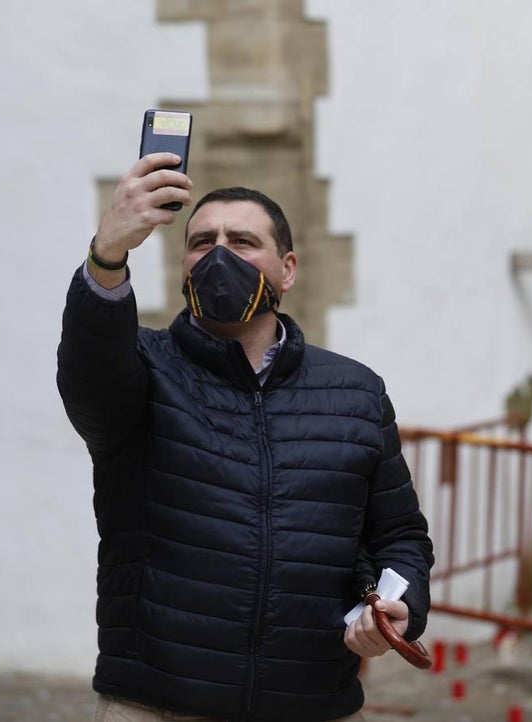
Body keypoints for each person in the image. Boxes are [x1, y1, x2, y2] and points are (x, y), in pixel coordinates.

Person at [57, 152, 434, 722]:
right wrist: (107, 255)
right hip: (157, 705)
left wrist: (397, 606)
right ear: (183, 268)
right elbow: (89, 371)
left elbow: (401, 538)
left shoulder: (355, 393)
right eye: (202, 242)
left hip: (313, 706)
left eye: (242, 241)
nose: (219, 256)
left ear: (286, 269)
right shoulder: (141, 371)